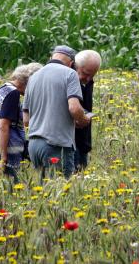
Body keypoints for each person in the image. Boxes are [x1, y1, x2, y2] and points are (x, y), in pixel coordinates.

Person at [23, 46, 91, 180]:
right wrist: (83, 120)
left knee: (44, 193)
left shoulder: (33, 77)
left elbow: (26, 119)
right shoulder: (70, 74)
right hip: (56, 145)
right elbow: (74, 108)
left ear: (51, 57)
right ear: (72, 64)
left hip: (34, 146)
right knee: (60, 194)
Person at [0, 63, 42, 183]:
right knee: (12, 189)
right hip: (9, 149)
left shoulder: (4, 88)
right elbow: (3, 126)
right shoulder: (13, 94)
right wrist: (4, 159)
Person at [74, 50, 102, 172]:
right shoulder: (66, 80)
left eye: (93, 75)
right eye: (85, 73)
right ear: (76, 66)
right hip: (69, 143)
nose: (88, 78)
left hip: (83, 142)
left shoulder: (88, 81)